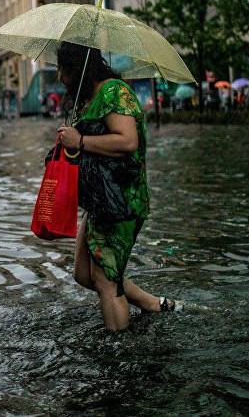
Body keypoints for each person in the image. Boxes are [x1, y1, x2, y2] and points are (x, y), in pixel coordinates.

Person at [54, 42, 176, 332]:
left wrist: (80, 141)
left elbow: (127, 141)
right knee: (84, 274)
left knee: (106, 280)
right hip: (100, 201)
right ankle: (151, 304)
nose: (60, 77)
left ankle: (120, 352)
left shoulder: (114, 92)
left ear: (79, 68)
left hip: (121, 201)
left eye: (63, 69)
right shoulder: (90, 97)